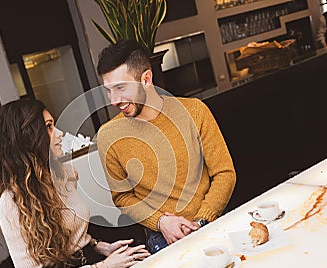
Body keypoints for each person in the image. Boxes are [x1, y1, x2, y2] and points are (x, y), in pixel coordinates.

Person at [0, 98, 149, 268]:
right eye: (49, 127)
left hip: (90, 265)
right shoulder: (12, 202)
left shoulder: (65, 174)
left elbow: (71, 236)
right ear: (27, 140)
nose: (60, 134)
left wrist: (101, 247)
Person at [96, 40, 236, 254]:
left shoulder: (195, 111)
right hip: (161, 233)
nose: (114, 100)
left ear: (146, 79)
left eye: (121, 88)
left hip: (211, 218)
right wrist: (162, 222)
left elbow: (225, 173)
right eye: (108, 91)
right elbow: (123, 197)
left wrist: (201, 222)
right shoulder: (108, 136)